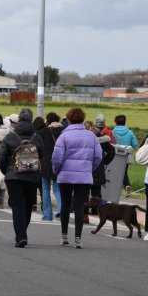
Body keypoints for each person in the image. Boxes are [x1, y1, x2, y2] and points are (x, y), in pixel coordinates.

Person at [52, 107, 102, 249]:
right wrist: (89, 169)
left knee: (66, 205)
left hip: (65, 175)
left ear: (68, 119)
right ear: (83, 119)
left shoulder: (63, 136)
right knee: (80, 205)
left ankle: (64, 235)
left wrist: (57, 170)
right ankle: (78, 238)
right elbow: (98, 156)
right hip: (84, 175)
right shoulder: (91, 136)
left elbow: (56, 158)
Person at [0, 108, 44, 248]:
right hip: (32, 177)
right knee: (28, 206)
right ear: (31, 119)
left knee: (17, 206)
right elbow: (41, 155)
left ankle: (21, 236)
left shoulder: (10, 136)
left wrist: (7, 172)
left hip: (14, 176)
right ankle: (22, 232)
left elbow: (1, 157)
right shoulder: (37, 137)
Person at [42, 112, 64, 220]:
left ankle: (47, 215)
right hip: (59, 162)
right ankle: (60, 209)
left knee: (45, 189)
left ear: (48, 120)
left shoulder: (44, 131)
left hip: (46, 162)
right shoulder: (64, 131)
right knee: (57, 188)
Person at [113, 114, 138, 197]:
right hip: (126, 156)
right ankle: (126, 186)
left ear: (115, 122)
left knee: (115, 172)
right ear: (125, 122)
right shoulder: (130, 132)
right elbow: (135, 145)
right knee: (124, 171)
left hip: (115, 156)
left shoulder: (113, 132)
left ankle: (114, 190)